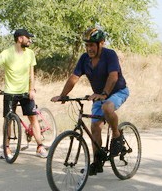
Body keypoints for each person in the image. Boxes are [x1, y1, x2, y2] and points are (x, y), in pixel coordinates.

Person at [51, 25, 130, 175]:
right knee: (95, 127)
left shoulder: (110, 55)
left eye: (92, 45)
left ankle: (117, 136)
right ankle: (97, 162)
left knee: (107, 107)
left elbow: (113, 76)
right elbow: (74, 77)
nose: (89, 49)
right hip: (99, 95)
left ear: (101, 44)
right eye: (87, 45)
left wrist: (105, 93)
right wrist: (62, 95)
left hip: (117, 91)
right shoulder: (84, 59)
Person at [0, 29, 46, 158]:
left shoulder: (30, 53)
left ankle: (40, 147)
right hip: (10, 92)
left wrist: (32, 89)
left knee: (33, 118)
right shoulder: (6, 53)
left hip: (26, 92)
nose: (30, 40)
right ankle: (6, 148)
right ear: (20, 39)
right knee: (8, 120)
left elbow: (31, 74)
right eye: (27, 38)